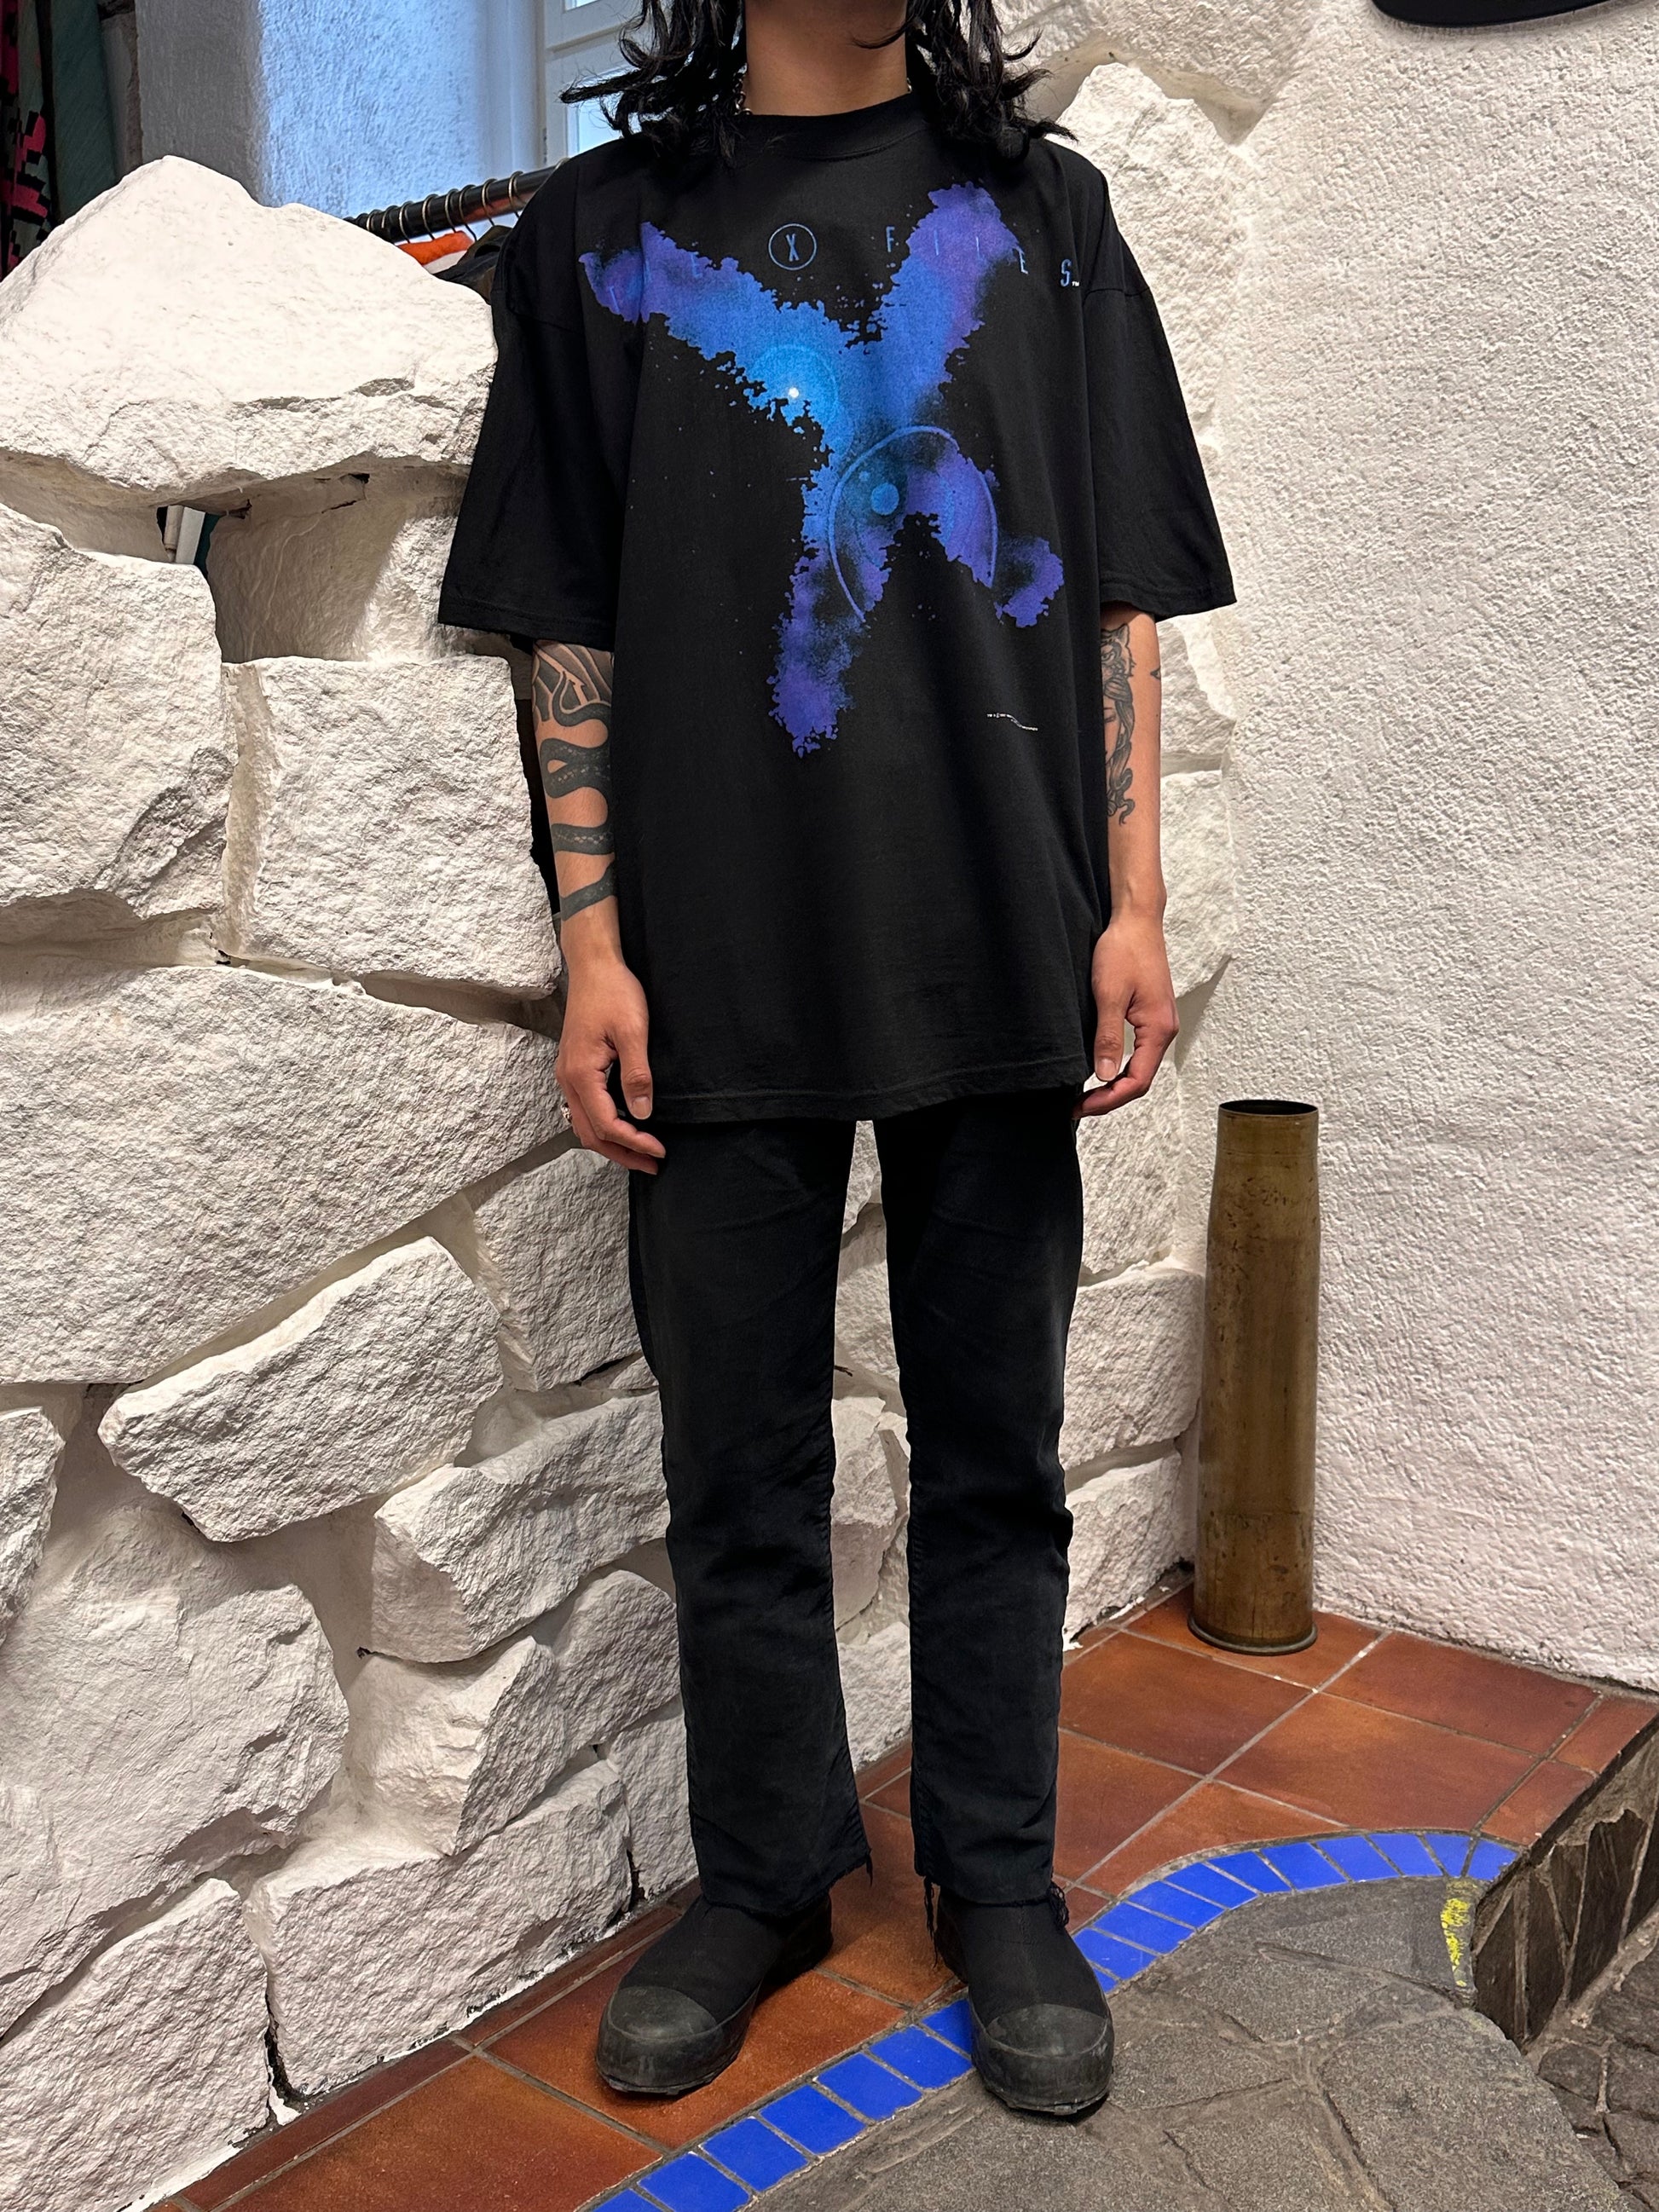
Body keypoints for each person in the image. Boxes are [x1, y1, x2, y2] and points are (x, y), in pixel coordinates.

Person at [439, 0, 1233, 2121]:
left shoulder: (1047, 218)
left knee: (995, 1455)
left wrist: (1132, 897)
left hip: (998, 927)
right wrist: (592, 939)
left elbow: (1117, 604)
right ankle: (768, 1873)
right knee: (736, 1468)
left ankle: (998, 1876)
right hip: (712, 953)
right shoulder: (597, 235)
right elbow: (567, 626)